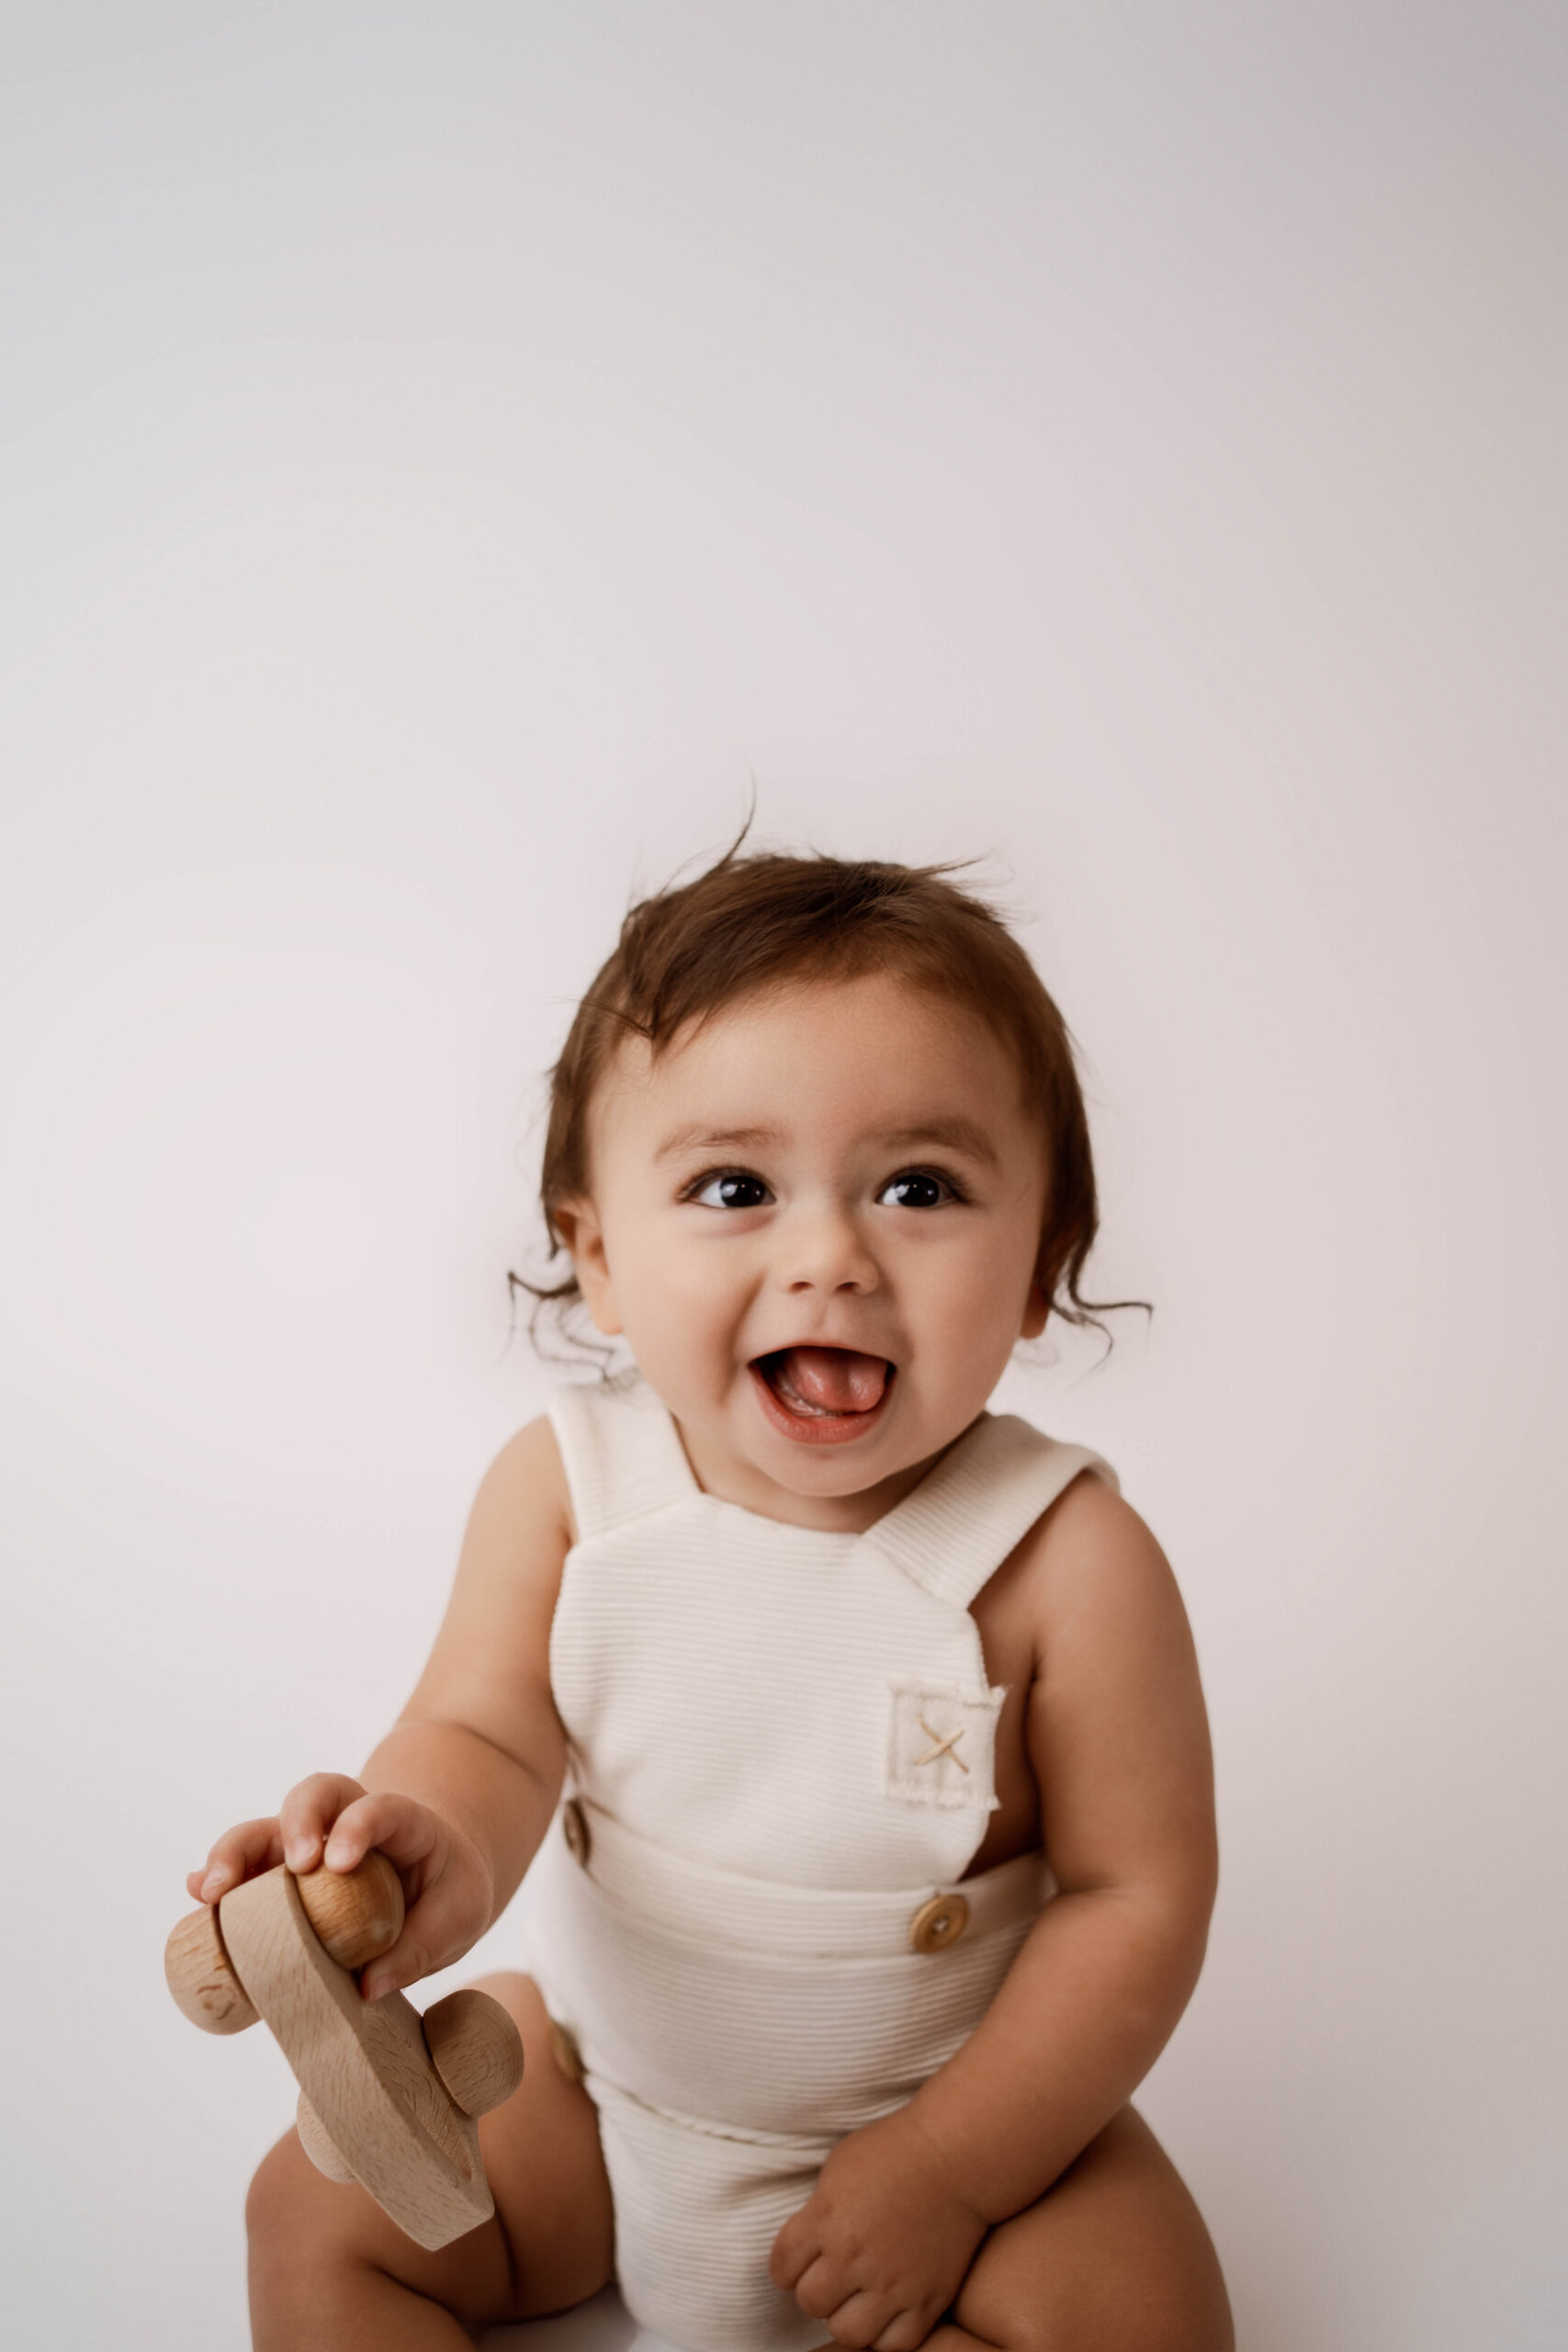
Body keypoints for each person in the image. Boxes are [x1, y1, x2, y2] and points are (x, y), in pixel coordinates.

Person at [199, 848, 1235, 2352]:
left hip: (967, 2119)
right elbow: (483, 1734)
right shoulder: (569, 1490)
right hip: (604, 2098)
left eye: (920, 1187)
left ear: (1040, 1264)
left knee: (1138, 2314)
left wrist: (954, 2168)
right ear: (601, 1259)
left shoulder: (1066, 1557)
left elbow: (1138, 1901)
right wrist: (417, 1850)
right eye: (735, 1187)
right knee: (313, 2213)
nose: (830, 1258)